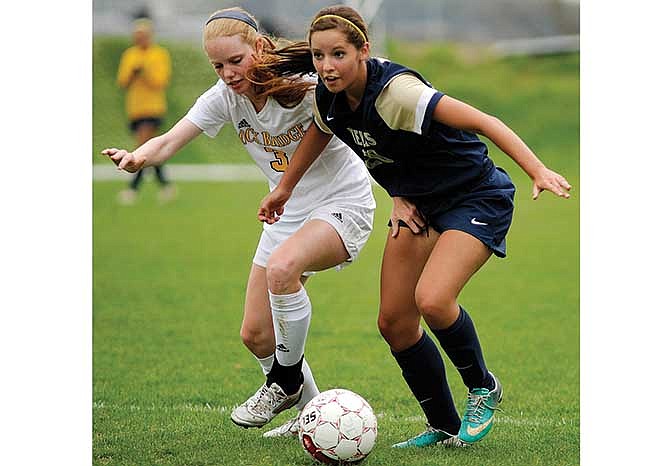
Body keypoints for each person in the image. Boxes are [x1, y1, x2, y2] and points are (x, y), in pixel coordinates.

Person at [254, 4, 572, 448]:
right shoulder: (329, 97)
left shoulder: (399, 93)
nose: (327, 66)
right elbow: (326, 132)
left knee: (434, 300)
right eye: (319, 55)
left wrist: (537, 170)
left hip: (475, 196)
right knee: (395, 322)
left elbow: (484, 121)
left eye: (339, 54)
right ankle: (442, 427)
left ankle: (484, 386)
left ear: (363, 50)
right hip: (418, 207)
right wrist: (285, 188)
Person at [101, 7, 376, 437]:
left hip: (342, 202)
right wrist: (139, 157)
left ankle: (283, 384)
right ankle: (310, 415)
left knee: (284, 270)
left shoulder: (306, 87)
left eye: (235, 61)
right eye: (217, 65)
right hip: (286, 213)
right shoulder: (224, 97)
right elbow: (173, 137)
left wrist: (405, 193)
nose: (228, 74)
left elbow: (367, 128)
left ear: (260, 48)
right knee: (256, 335)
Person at [116, 17, 175, 204]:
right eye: (137, 36)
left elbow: (161, 81)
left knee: (141, 148)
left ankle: (132, 189)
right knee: (148, 150)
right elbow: (122, 82)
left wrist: (145, 71)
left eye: (143, 35)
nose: (140, 39)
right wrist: (132, 73)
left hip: (153, 107)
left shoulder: (159, 54)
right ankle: (166, 186)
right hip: (135, 108)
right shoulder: (129, 55)